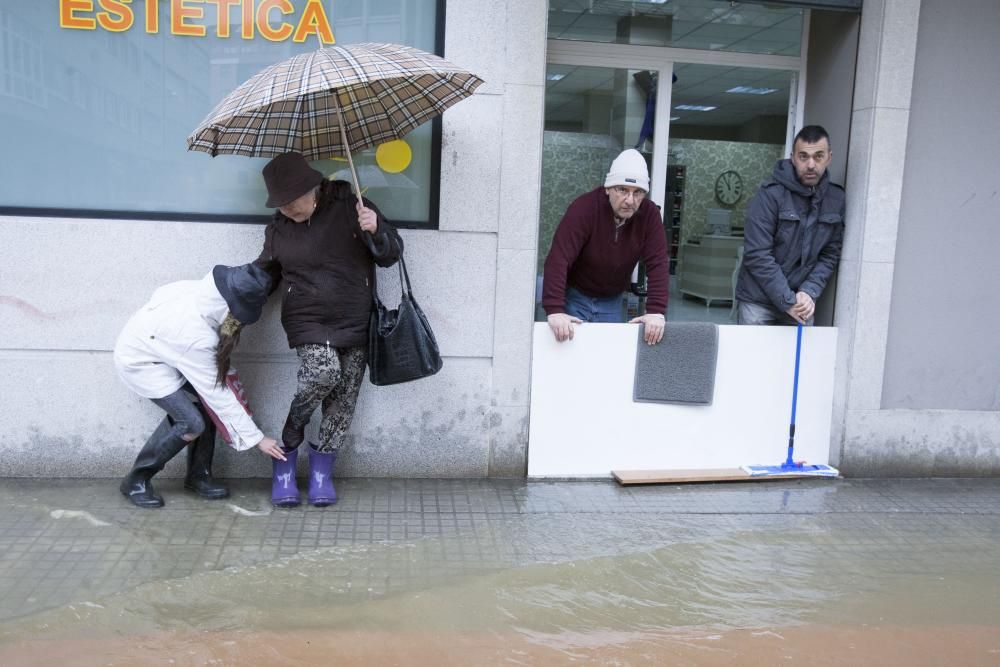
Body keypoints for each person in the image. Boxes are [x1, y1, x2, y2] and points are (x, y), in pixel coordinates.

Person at [255, 152, 402, 509]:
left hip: (355, 316)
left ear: (312, 187)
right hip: (307, 318)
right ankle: (286, 454)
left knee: (343, 401)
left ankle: (322, 473)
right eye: (281, 204)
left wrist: (376, 230)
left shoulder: (354, 207)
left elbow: (390, 254)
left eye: (292, 201)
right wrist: (234, 300)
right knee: (322, 373)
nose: (287, 209)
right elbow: (266, 273)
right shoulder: (278, 228)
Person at [114, 263, 287, 509]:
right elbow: (217, 394)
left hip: (166, 350)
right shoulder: (195, 337)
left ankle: (199, 475)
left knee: (207, 408)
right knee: (191, 422)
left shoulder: (197, 291)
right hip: (141, 363)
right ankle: (136, 480)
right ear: (229, 306)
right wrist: (257, 439)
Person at [542, 148, 670, 345]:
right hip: (576, 296)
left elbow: (658, 263)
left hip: (612, 299)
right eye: (622, 190)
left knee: (604, 357)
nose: (630, 200)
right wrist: (554, 309)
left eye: (638, 193)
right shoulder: (584, 209)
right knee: (570, 358)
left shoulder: (650, 215)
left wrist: (656, 312)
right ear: (608, 188)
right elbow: (559, 258)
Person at [735, 125, 845, 326]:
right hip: (758, 302)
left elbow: (830, 254)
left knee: (799, 358)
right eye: (803, 156)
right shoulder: (769, 195)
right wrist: (787, 300)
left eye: (818, 156)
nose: (811, 164)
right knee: (755, 358)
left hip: (802, 301)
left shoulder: (836, 198)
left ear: (829, 157)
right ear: (792, 157)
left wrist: (809, 291)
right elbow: (757, 254)